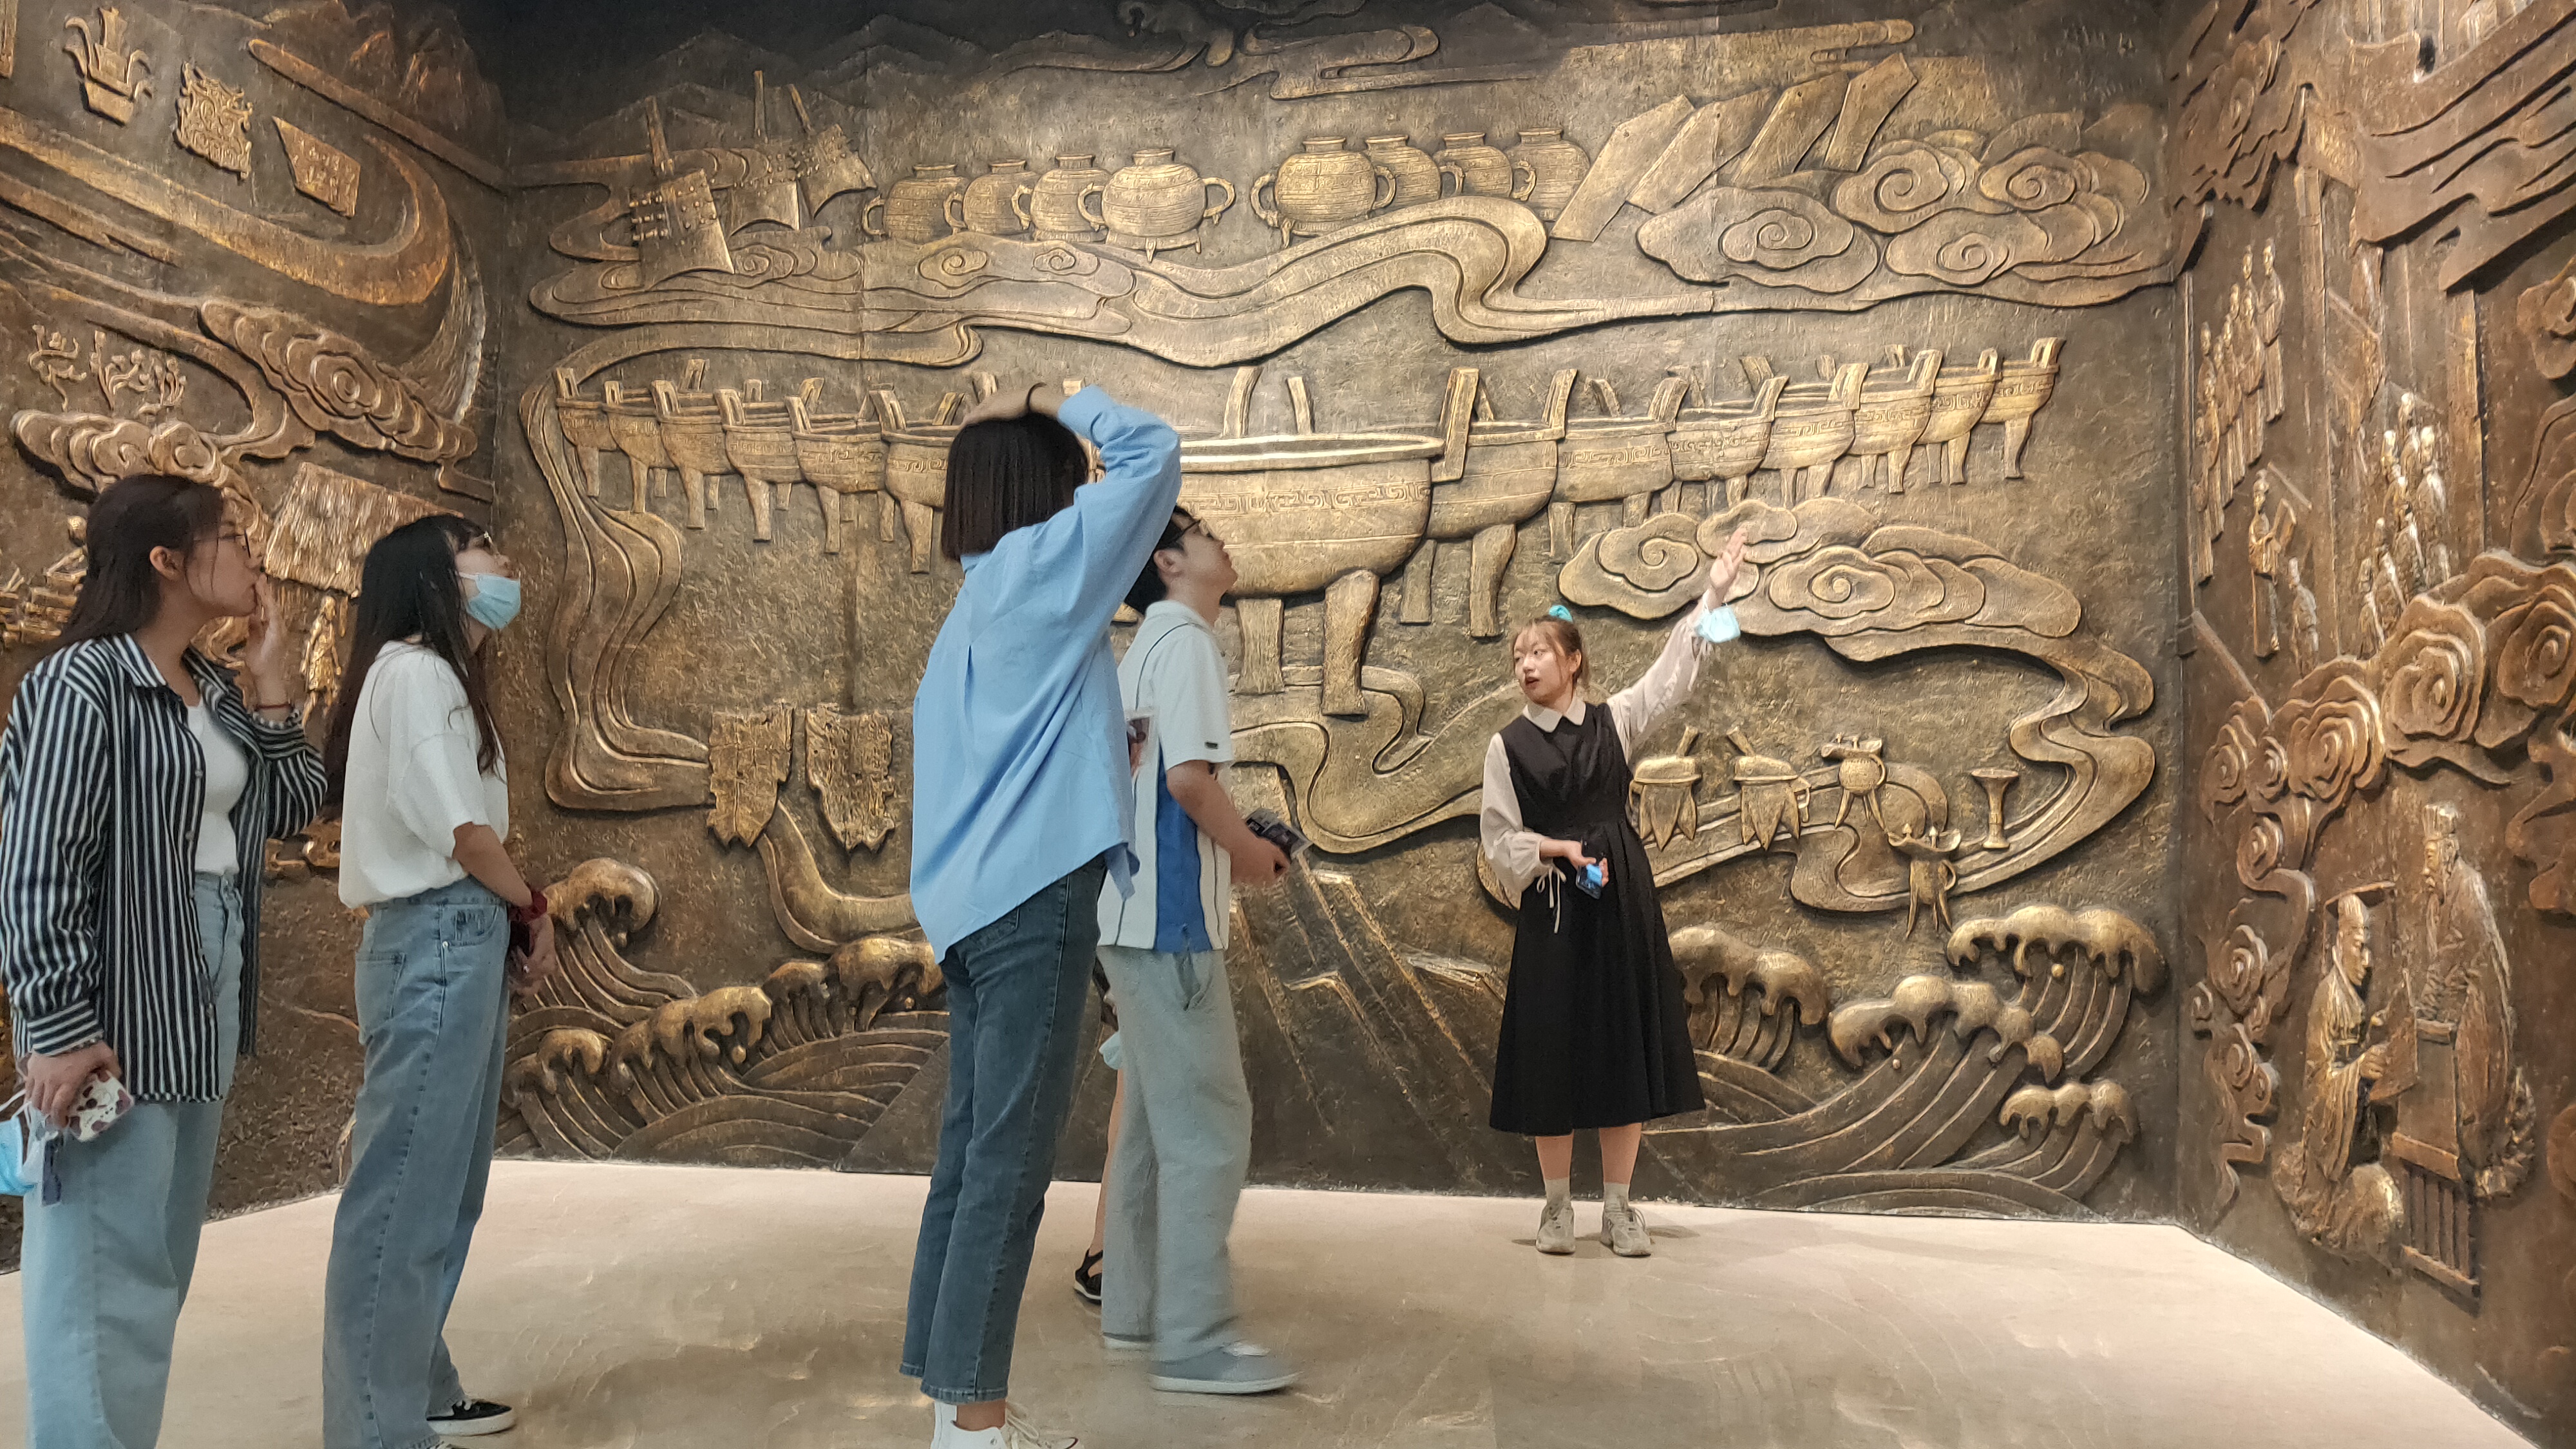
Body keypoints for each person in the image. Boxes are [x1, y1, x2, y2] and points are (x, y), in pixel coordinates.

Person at [0, 475, 323, 1449]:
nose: (252, 556)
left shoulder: (212, 685)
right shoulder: (80, 683)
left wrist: (270, 675)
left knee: (159, 1252)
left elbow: (297, 804)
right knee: (104, 1259)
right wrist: (55, 1028)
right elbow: (36, 862)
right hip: (121, 974)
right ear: (166, 560)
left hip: (204, 966)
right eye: (231, 537)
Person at [904, 381, 1182, 1449]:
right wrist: (1050, 394)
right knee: (1012, 1167)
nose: (1086, 485)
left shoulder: (975, 605)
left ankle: (953, 1399)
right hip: (1033, 906)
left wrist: (1093, 760)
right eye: (1070, 468)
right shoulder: (1043, 568)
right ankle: (974, 1429)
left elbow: (986, 769)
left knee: (974, 1155)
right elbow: (1153, 452)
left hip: (973, 911)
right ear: (1046, 485)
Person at [320, 515, 558, 1449]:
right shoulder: (417, 672)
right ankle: (376, 1428)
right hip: (434, 939)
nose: (504, 563)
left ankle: (416, 1384)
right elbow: (464, 835)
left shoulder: (443, 681)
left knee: (441, 1193)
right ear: (435, 574)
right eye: (482, 549)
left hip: (457, 935)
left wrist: (508, 915)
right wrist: (533, 907)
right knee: (401, 1201)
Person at [1479, 527, 1748, 1257]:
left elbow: (1673, 672)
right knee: (1552, 1049)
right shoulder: (1507, 745)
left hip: (1619, 897)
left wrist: (1714, 595)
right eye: (1517, 657)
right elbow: (1498, 838)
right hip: (1555, 909)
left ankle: (1622, 1208)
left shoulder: (1614, 721)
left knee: (1620, 1047)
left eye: (1538, 652)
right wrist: (1551, 849)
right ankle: (1558, 1208)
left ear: (1572, 661)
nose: (1525, 665)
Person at [1092, 507, 1294, 1393]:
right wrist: (1250, 854)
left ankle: (1137, 1313)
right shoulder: (1193, 643)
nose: (1225, 539)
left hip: (1127, 918)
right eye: (1205, 530)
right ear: (1172, 562)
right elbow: (1188, 782)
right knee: (1210, 1128)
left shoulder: (1142, 653)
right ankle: (1197, 1339)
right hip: (1175, 926)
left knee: (1145, 1131)